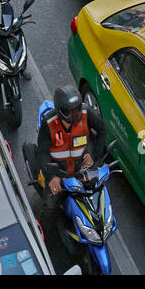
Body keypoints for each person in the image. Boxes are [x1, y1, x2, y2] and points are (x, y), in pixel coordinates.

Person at [35, 87, 107, 239]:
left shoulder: (87, 114)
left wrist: (94, 156)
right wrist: (52, 176)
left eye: (77, 109)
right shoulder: (49, 123)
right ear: (60, 111)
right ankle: (41, 240)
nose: (75, 115)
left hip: (81, 168)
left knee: (97, 197)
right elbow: (42, 152)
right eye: (69, 111)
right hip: (59, 173)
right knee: (49, 207)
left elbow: (102, 129)